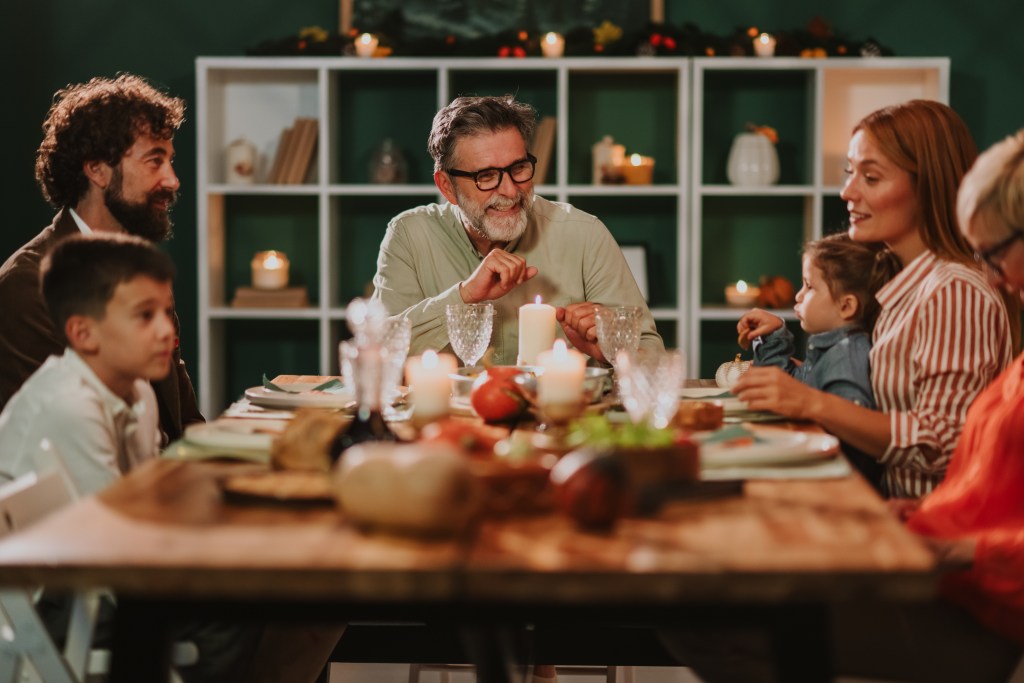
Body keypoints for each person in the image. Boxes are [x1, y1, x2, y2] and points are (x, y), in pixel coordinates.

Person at [0, 233, 263, 682]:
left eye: (165, 312)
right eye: (145, 316)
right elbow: (117, 551)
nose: (167, 331)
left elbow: (145, 506)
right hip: (55, 603)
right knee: (240, 608)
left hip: (94, 578)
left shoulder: (137, 391)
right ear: (83, 333)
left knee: (268, 589)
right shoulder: (70, 407)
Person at [733, 100, 1017, 499]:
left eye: (871, 177)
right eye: (850, 173)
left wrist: (812, 403)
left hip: (925, 523)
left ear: (927, 187)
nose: (847, 192)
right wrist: (785, 364)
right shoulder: (901, 280)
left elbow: (941, 441)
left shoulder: (953, 291)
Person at [829, 128, 1024, 683]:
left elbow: (940, 443)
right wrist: (923, 515)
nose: (992, 277)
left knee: (724, 620)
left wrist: (961, 550)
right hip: (954, 583)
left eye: (995, 254)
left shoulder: (953, 289)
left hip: (978, 613)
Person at [371, 94, 663, 365]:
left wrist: (613, 353)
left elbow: (653, 357)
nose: (510, 191)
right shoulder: (409, 235)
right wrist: (465, 295)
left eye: (519, 168)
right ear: (447, 186)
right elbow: (378, 356)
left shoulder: (585, 234)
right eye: (486, 176)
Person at [0, 73, 203, 444]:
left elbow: (184, 422)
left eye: (169, 161)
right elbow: (51, 444)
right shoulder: (29, 283)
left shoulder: (141, 268)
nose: (173, 180)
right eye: (154, 161)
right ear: (96, 170)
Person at [737, 233, 901, 490]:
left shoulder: (847, 357)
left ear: (846, 306)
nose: (798, 296)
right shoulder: (829, 348)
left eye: (809, 286)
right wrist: (773, 335)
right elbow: (784, 392)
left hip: (833, 488)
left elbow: (850, 438)